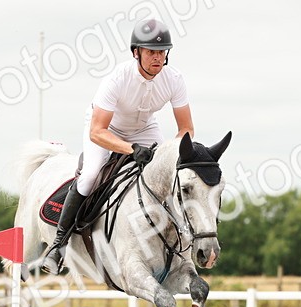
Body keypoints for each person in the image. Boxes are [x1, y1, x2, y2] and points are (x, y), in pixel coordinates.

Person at [41, 18, 196, 273]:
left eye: (161, 52)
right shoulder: (117, 79)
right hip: (105, 129)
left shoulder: (174, 79)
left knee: (166, 174)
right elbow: (97, 131)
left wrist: (174, 153)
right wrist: (131, 150)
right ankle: (58, 245)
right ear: (137, 52)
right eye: (151, 52)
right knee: (90, 176)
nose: (157, 58)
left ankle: (175, 238)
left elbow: (186, 129)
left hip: (145, 128)